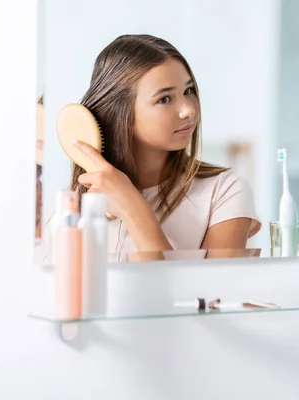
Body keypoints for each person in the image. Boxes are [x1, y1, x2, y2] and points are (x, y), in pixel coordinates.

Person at [43, 34, 261, 261]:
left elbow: (212, 294)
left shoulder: (225, 193)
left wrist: (133, 208)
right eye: (165, 99)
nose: (189, 110)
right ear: (120, 111)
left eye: (188, 91)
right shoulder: (65, 210)